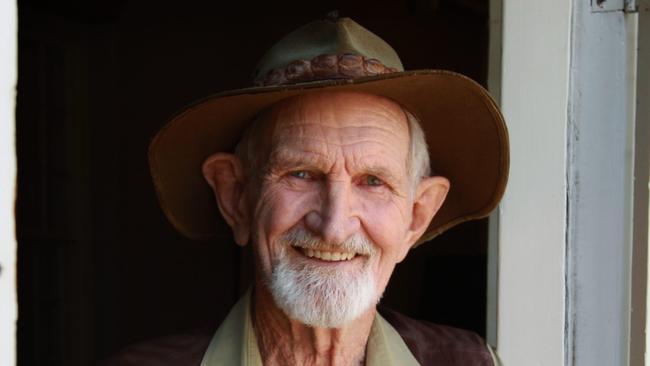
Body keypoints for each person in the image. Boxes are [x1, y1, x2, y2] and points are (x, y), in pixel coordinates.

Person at [107, 15, 508, 366]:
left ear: (417, 216)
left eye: (373, 181)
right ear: (236, 197)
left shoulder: (470, 362)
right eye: (301, 174)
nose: (333, 227)